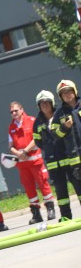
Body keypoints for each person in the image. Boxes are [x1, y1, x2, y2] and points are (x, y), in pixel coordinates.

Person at [33, 90, 81, 220]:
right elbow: (38, 142)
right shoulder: (37, 123)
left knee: (78, 185)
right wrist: (49, 150)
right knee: (61, 192)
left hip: (68, 158)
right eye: (41, 104)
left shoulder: (60, 114)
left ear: (52, 103)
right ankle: (66, 216)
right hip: (53, 163)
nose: (44, 106)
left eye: (46, 103)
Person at [7, 101, 56, 224]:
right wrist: (18, 154)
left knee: (43, 185)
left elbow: (36, 138)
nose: (14, 113)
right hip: (23, 165)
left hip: (35, 162)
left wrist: (25, 151)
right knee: (29, 190)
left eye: (16, 110)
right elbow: (10, 146)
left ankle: (50, 209)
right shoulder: (11, 127)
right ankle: (36, 214)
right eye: (11, 112)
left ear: (22, 109)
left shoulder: (32, 120)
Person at [52, 80, 81, 215]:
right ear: (60, 96)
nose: (67, 94)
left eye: (69, 91)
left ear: (74, 91)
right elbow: (55, 135)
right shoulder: (59, 114)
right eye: (63, 93)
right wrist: (65, 127)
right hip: (75, 157)